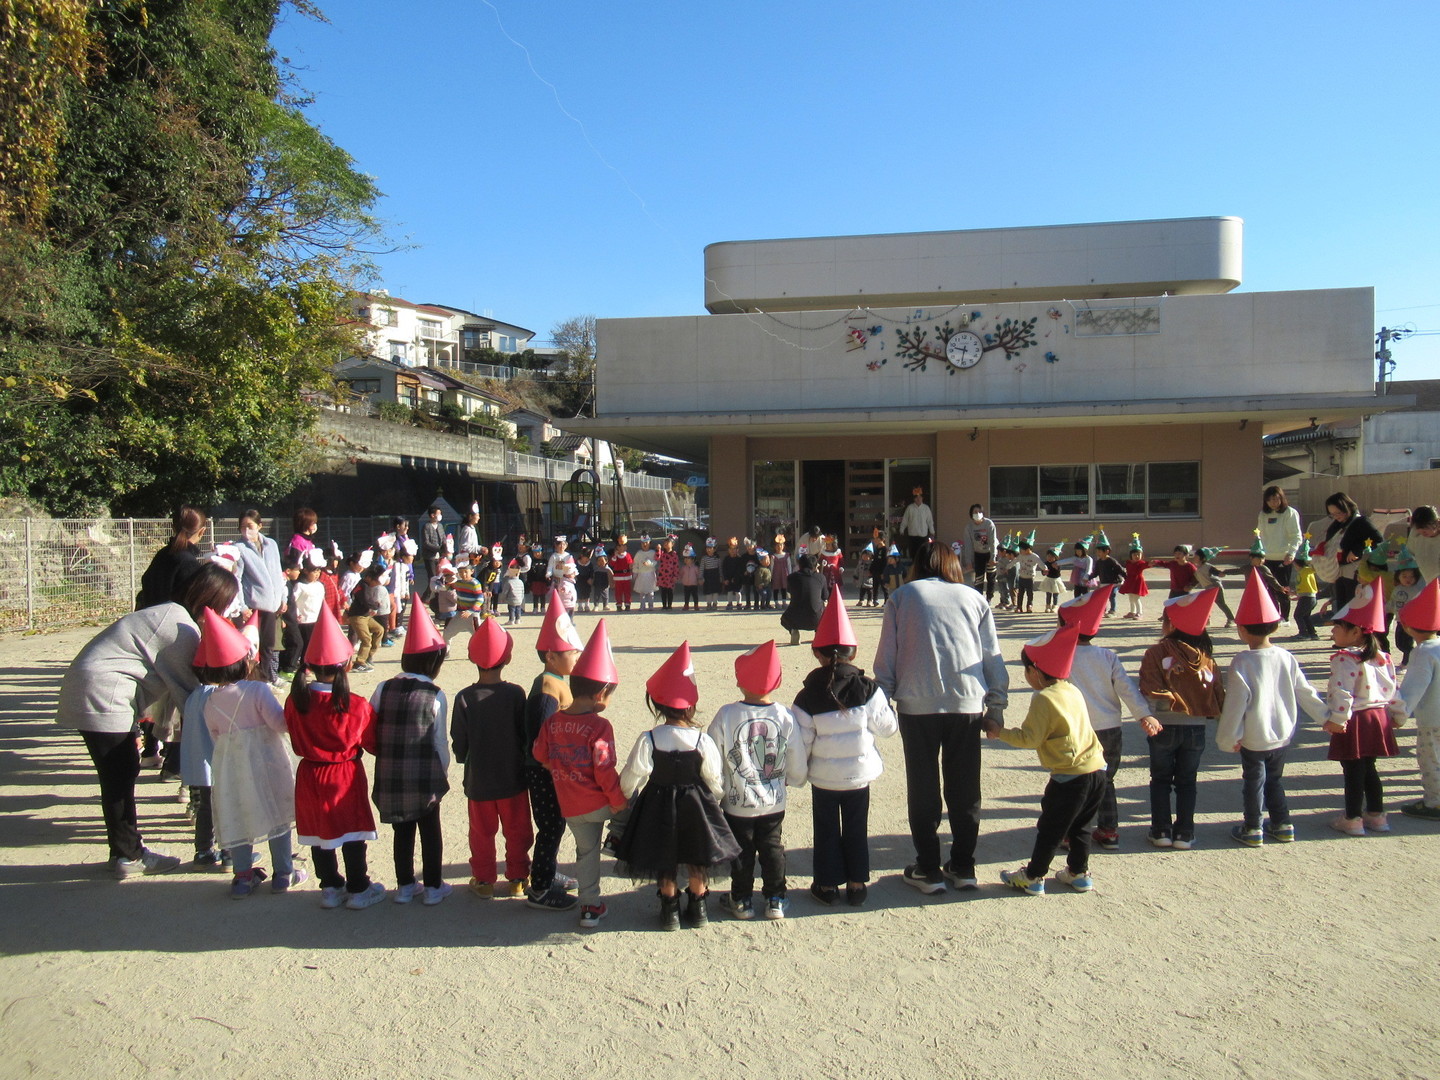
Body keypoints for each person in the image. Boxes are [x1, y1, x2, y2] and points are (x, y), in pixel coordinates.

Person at [57, 561, 239, 878]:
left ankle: (124, 852)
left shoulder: (170, 613)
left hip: (93, 687)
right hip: (104, 692)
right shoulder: (180, 628)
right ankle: (128, 855)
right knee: (119, 774)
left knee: (119, 772)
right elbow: (189, 695)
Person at [875, 542, 1007, 894]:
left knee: (923, 787)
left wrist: (880, 704)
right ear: (953, 564)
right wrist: (996, 707)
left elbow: (887, 657)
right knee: (965, 787)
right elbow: (992, 656)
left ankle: (929, 868)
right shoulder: (974, 598)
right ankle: (963, 866)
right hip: (966, 703)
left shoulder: (902, 597)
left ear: (917, 565)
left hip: (917, 704)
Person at [617, 641, 739, 930]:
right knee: (697, 853)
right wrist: (716, 798)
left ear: (658, 705)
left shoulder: (649, 738)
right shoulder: (701, 740)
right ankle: (698, 905)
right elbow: (713, 777)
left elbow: (635, 772)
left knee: (664, 853)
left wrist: (627, 795)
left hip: (658, 801)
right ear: (691, 705)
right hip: (696, 801)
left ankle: (669, 907)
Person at [984, 622, 1105, 895]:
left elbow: (1030, 738)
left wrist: (999, 732)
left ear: (1036, 671)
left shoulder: (1044, 698)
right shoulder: (1072, 689)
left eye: (1026, 670)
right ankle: (1078, 873)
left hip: (1070, 775)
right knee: (1082, 826)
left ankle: (1034, 875)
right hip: (1096, 769)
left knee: (1051, 828)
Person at [794, 592, 896, 907]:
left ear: (817, 653)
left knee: (825, 829)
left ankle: (826, 885)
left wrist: (799, 772)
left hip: (824, 777)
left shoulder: (807, 696)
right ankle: (856, 884)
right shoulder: (867, 689)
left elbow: (802, 741)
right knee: (856, 827)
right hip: (858, 774)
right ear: (854, 652)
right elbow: (888, 729)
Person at [1215, 570, 1328, 846]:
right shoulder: (1286, 656)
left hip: (1254, 736)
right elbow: (1305, 691)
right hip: (1282, 733)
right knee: (1275, 780)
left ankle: (1253, 827)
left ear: (1242, 629)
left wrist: (1228, 738)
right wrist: (1326, 717)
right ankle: (1283, 824)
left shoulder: (1243, 661)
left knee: (1254, 781)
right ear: (1275, 627)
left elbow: (1235, 703)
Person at [196, 610, 303, 898]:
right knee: (277, 814)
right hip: (268, 760)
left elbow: (216, 736)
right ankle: (283, 874)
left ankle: (242, 877)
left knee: (239, 816)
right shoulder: (258, 690)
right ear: (245, 662)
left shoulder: (210, 701)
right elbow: (279, 724)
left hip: (232, 767)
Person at [285, 606, 385, 909]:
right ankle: (358, 887)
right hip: (344, 774)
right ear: (348, 665)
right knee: (352, 832)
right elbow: (373, 744)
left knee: (319, 834)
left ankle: (329, 886)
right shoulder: (356, 704)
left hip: (309, 773)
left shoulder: (295, 701)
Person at [535, 621, 629, 930]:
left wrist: (558, 767)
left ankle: (589, 907)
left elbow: (540, 755)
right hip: (599, 802)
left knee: (586, 854)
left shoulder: (552, 722)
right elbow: (604, 770)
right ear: (601, 694)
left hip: (571, 806)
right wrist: (618, 804)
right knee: (632, 797)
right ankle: (616, 836)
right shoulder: (600, 726)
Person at [709, 641, 804, 920]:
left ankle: (741, 899)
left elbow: (713, 756)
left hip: (737, 801)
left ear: (740, 681)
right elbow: (796, 753)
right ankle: (776, 898)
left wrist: (717, 789)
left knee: (741, 850)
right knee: (773, 847)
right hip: (774, 799)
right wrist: (794, 778)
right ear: (777, 681)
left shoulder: (727, 714)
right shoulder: (784, 715)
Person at [1058, 587, 1159, 851]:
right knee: (1106, 779)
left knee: (1074, 781)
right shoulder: (1107, 656)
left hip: (1076, 729)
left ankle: (1070, 832)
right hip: (1109, 727)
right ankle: (1109, 830)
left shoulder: (1062, 656)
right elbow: (1127, 689)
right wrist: (1144, 714)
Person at [365, 605, 452, 906]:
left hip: (391, 771)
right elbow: (439, 741)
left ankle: (404, 885)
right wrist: (443, 771)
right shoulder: (435, 694)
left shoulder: (383, 688)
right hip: (425, 774)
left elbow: (371, 724)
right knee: (430, 830)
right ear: (433, 662)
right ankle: (433, 886)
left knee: (401, 830)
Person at [451, 618, 533, 898]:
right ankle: (518, 877)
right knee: (518, 829)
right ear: (507, 658)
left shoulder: (464, 697)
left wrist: (463, 757)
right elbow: (524, 733)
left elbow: (459, 740)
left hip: (479, 779)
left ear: (471, 657)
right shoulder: (515, 694)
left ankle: (484, 879)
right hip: (513, 776)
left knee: (481, 832)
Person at [1138, 589, 1223, 849]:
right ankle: (1185, 833)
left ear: (1172, 624)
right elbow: (1217, 693)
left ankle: (1161, 831)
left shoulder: (1155, 653)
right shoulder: (1206, 658)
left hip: (1162, 724)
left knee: (1160, 780)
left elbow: (1148, 687)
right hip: (1195, 727)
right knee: (1187, 781)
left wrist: (1162, 706)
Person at [1322, 585, 1405, 836]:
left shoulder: (1345, 658)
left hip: (1355, 719)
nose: (1333, 631)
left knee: (1353, 771)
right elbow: (1393, 689)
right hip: (1377, 718)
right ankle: (1377, 816)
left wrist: (1338, 719)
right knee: (1369, 768)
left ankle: (1352, 818)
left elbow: (1342, 691)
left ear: (1356, 631)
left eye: (1337, 627)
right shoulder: (1383, 657)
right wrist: (1398, 715)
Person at [523, 596, 584, 910]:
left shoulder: (556, 680)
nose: (576, 656)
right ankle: (540, 888)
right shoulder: (548, 687)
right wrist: (551, 765)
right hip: (544, 770)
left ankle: (547, 872)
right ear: (550, 655)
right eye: (571, 652)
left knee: (555, 824)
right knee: (550, 826)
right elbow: (540, 733)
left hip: (550, 768)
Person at [1397, 580, 1440, 820]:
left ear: (1407, 626)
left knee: (1431, 760)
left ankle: (1435, 803)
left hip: (1433, 719)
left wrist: (1399, 714)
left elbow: (1413, 688)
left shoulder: (1422, 652)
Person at [236, 510, 286, 685]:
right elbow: (237, 579)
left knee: (269, 644)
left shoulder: (271, 545)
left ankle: (266, 678)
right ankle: (251, 680)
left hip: (272, 604)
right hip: (253, 606)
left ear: (259, 526)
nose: (246, 530)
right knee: (251, 646)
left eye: (250, 526)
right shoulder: (239, 548)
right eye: (243, 527)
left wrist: (283, 597)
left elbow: (278, 572)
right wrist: (242, 606)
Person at [136, 506, 209, 609]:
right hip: (171, 617)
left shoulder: (162, 554)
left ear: (173, 527)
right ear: (202, 531)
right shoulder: (189, 563)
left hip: (149, 614)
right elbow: (195, 601)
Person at [1323, 491, 1382, 612]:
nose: (1336, 517)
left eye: (1338, 513)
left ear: (1347, 507)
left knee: (1353, 606)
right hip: (1338, 570)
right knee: (1342, 607)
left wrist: (1357, 550)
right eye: (1332, 514)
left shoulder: (1361, 522)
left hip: (1355, 570)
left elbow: (1378, 540)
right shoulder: (1336, 525)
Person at [1257, 486, 1303, 622]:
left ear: (1281, 498)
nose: (1273, 502)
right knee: (1268, 590)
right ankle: (1273, 616)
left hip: (1283, 558)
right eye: (1270, 500)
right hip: (1266, 558)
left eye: (1276, 499)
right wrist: (1259, 553)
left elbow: (1296, 536)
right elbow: (1259, 534)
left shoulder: (1290, 513)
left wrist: (1291, 552)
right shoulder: (1263, 514)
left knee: (1282, 589)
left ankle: (1285, 617)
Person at [780, 553, 825, 646]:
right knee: (823, 606)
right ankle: (819, 632)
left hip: (795, 618)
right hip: (816, 619)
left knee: (784, 619)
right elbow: (825, 596)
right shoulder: (821, 577)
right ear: (815, 565)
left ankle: (793, 630)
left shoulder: (791, 577)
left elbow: (789, 592)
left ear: (799, 565)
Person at [962, 504, 998, 599]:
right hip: (978, 554)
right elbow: (968, 545)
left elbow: (993, 542)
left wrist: (993, 557)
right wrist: (968, 562)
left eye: (979, 512)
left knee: (991, 577)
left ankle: (989, 598)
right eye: (975, 512)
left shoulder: (989, 524)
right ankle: (979, 598)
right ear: (971, 514)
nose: (977, 514)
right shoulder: (969, 527)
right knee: (979, 578)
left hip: (989, 553)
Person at [1195, 546, 1235, 628]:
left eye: (1196, 556)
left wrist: (1224, 573)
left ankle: (1231, 619)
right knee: (1205, 604)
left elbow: (1220, 574)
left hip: (1215, 587)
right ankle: (1206, 620)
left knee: (1221, 603)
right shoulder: (1198, 568)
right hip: (1208, 588)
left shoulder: (1208, 567)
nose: (1194, 557)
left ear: (1203, 558)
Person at [1291, 536, 1320, 641]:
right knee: (1305, 616)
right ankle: (1312, 633)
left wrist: (1309, 558)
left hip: (1307, 598)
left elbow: (1314, 567)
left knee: (1298, 615)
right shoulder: (1302, 572)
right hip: (1308, 597)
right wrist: (1296, 593)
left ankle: (1304, 633)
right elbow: (1303, 586)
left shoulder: (1306, 570)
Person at [1119, 533, 1152, 620]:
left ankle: (1139, 612)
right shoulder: (1129, 563)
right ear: (1131, 555)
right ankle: (1132, 611)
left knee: (1136, 598)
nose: (1136, 556)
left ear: (1141, 555)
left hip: (1137, 582)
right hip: (1130, 581)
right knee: (1131, 597)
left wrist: (1151, 563)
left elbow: (1146, 565)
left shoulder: (1141, 563)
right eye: (1134, 555)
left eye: (1138, 554)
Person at [898, 488, 935, 563]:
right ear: (914, 499)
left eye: (920, 497)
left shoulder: (926, 508)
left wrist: (932, 531)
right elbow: (905, 520)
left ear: (922, 498)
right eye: (916, 498)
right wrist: (901, 530)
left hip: (923, 536)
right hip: (912, 536)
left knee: (923, 554)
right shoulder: (910, 508)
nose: (918, 499)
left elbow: (930, 521)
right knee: (913, 554)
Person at [420, 505, 446, 593]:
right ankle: (426, 597)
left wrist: (446, 547)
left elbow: (444, 538)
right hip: (430, 557)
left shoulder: (440, 526)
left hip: (440, 557)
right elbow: (426, 543)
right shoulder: (426, 526)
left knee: (440, 577)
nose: (440, 515)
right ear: (432, 515)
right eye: (438, 513)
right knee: (433, 578)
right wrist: (438, 548)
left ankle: (436, 596)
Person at [609, 534, 634, 612]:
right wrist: (615, 556)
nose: (621, 548)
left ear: (626, 547)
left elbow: (630, 563)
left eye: (623, 546)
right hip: (618, 577)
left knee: (627, 591)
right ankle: (619, 604)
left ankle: (627, 604)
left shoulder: (628, 555)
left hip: (627, 576)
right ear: (617, 548)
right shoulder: (615, 556)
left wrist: (631, 566)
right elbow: (612, 564)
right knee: (618, 592)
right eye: (619, 546)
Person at [656, 535, 680, 611]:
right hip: (662, 576)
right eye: (665, 543)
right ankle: (664, 605)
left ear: (672, 544)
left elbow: (676, 566)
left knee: (670, 591)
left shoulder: (674, 555)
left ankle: (669, 605)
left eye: (668, 542)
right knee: (663, 591)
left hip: (670, 576)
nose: (666, 544)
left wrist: (675, 576)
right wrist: (658, 550)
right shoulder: (662, 553)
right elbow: (657, 557)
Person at [701, 538, 723, 610]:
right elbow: (701, 568)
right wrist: (700, 577)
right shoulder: (704, 558)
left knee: (715, 591)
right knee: (708, 591)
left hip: (715, 576)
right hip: (707, 576)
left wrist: (721, 576)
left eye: (710, 548)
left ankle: (715, 603)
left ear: (714, 549)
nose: (709, 550)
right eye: (707, 548)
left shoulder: (717, 558)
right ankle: (708, 604)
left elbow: (720, 568)